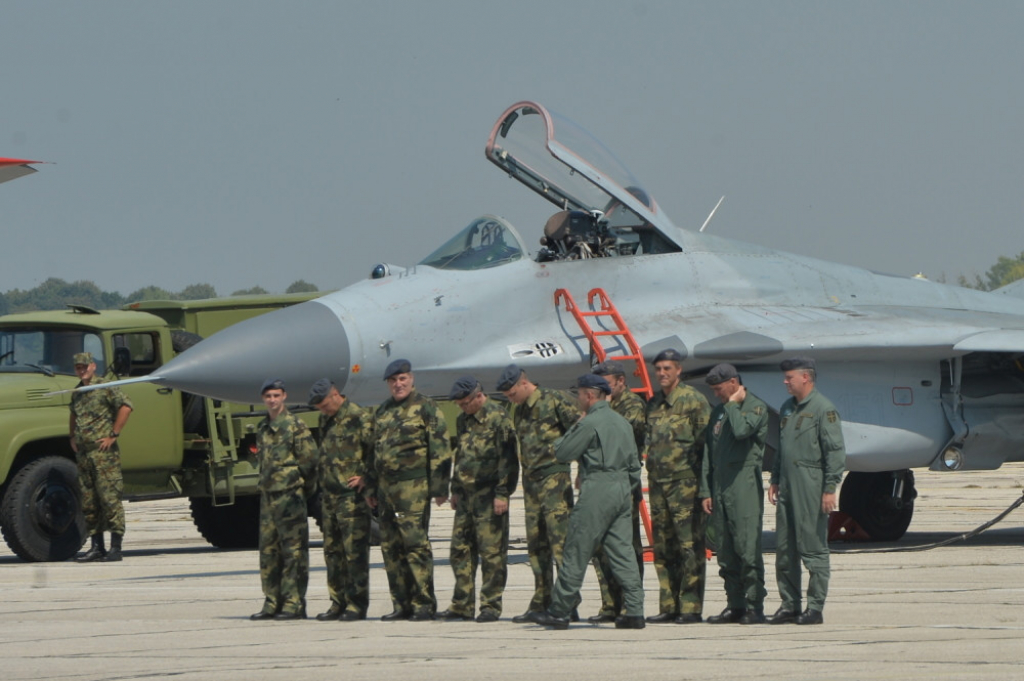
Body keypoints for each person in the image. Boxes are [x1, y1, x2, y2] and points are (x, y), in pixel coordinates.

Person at [534, 374, 645, 630]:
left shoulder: (590, 422)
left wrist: (577, 425)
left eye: (580, 395)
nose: (578, 400)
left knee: (577, 548)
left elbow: (562, 452)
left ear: (590, 396)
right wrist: (623, 488)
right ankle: (635, 611)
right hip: (622, 489)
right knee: (622, 551)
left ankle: (560, 610)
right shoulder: (622, 422)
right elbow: (634, 464)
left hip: (598, 486)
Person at [367, 359, 451, 621]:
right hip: (386, 491)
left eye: (402, 379)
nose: (398, 384)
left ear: (411, 379)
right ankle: (401, 603)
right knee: (391, 549)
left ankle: (423, 603)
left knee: (415, 546)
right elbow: (373, 453)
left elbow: (440, 448)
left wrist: (439, 487)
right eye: (393, 381)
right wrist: (370, 488)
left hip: (413, 489)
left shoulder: (426, 407)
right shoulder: (382, 412)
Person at [496, 363, 580, 624]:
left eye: (512, 394)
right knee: (537, 544)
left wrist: (583, 470)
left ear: (524, 383)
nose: (511, 399)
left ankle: (567, 602)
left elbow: (581, 433)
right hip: (531, 482)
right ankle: (542, 600)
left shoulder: (555, 400)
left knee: (560, 544)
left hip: (555, 478)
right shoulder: (520, 410)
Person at [767, 357, 846, 625]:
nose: (785, 382)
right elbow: (783, 447)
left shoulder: (824, 410)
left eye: (789, 377)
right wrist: (775, 478)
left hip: (811, 485)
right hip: (788, 486)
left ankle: (814, 607)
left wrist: (829, 488)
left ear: (806, 378)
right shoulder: (787, 408)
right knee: (785, 548)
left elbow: (834, 452)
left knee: (813, 547)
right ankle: (789, 604)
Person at [437, 376, 520, 623]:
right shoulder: (464, 420)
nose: (462, 408)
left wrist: (503, 493)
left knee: (492, 554)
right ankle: (461, 605)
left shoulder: (498, 418)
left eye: (465, 403)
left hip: (490, 495)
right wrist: (455, 490)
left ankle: (490, 606)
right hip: (466, 497)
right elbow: (460, 455)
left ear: (478, 396)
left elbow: (508, 460)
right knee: (460, 551)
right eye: (459, 405)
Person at [644, 349, 712, 624]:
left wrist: (704, 488)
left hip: (686, 485)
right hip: (659, 485)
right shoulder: (653, 403)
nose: (662, 373)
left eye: (667, 368)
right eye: (658, 369)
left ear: (679, 370)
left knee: (689, 547)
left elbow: (706, 447)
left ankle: (690, 607)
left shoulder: (693, 401)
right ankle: (669, 605)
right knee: (663, 548)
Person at [699, 363, 769, 625]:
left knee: (747, 548)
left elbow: (741, 431)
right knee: (726, 550)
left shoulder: (755, 407)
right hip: (720, 487)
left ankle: (754, 605)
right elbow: (710, 452)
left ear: (733, 383)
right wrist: (706, 490)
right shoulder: (718, 412)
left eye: (719, 389)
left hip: (743, 486)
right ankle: (735, 604)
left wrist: (732, 405)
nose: (716, 394)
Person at [250, 378, 318, 620]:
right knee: (268, 552)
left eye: (276, 395)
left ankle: (293, 603)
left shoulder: (295, 426)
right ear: (263, 399)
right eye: (268, 396)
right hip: (268, 498)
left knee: (293, 553)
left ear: (284, 397)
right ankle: (271, 602)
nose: (272, 400)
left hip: (290, 496)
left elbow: (309, 463)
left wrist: (302, 491)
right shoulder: (262, 428)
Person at [308, 378, 373, 622]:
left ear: (336, 394)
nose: (323, 411)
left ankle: (356, 605)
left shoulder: (360, 417)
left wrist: (367, 477)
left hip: (351, 498)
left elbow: (374, 450)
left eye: (325, 405)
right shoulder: (326, 419)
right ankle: (338, 602)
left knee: (354, 554)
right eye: (320, 408)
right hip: (330, 496)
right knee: (333, 553)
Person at [587, 360, 646, 623]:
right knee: (601, 548)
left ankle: (630, 604)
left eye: (606, 385)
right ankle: (610, 604)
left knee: (627, 547)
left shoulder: (632, 407)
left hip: (623, 484)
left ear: (621, 381)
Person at [70, 352, 133, 562]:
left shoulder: (105, 387)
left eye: (85, 366)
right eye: (78, 367)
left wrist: (113, 434)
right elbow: (73, 414)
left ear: (93, 366)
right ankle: (97, 547)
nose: (82, 370)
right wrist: (72, 436)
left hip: (103, 454)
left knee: (109, 498)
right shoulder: (78, 391)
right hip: (84, 453)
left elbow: (126, 406)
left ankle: (116, 548)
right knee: (89, 501)